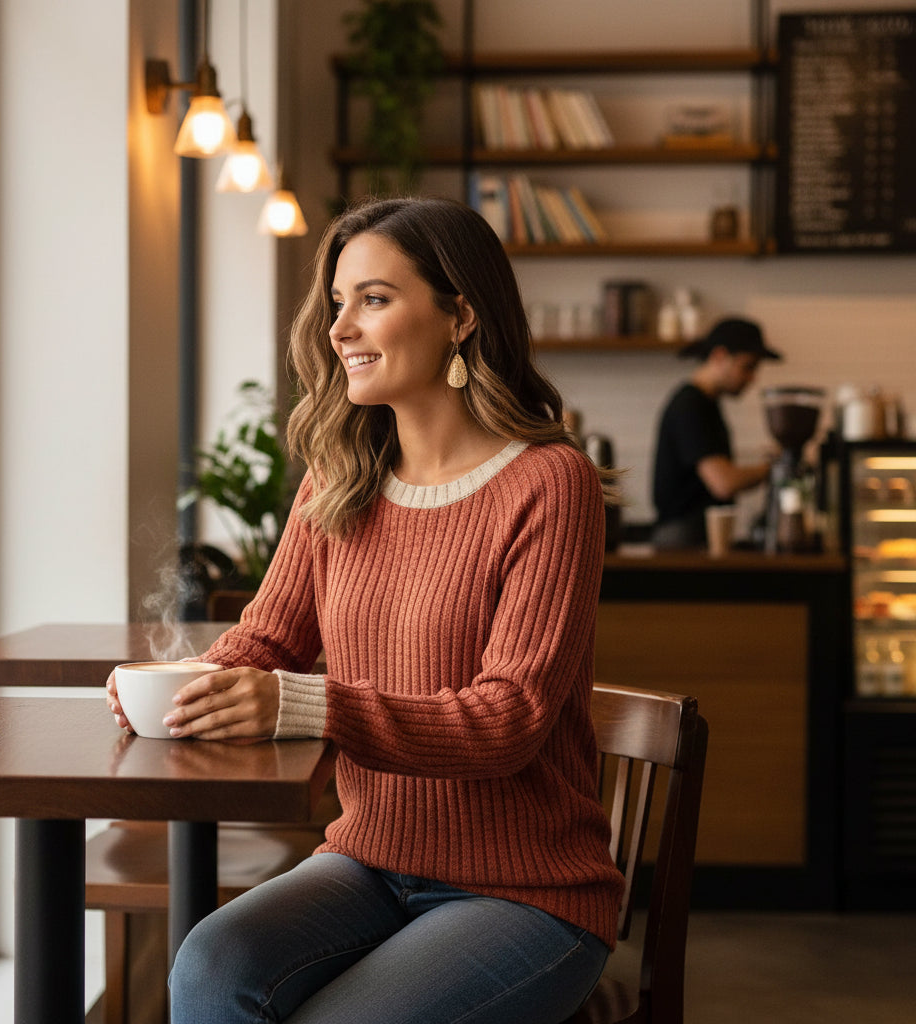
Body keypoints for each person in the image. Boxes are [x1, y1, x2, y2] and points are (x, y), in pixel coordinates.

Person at [106, 196, 624, 1024]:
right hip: (369, 861)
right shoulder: (341, 476)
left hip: (527, 892)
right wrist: (180, 686)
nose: (341, 327)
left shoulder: (548, 482)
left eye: (375, 299)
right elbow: (269, 639)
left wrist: (304, 702)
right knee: (209, 967)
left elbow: (511, 718)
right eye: (339, 302)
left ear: (461, 315)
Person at [651, 316, 781, 549]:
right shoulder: (690, 406)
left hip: (692, 536)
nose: (753, 378)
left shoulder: (705, 404)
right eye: (748, 367)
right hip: (682, 540)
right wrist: (771, 468)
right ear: (720, 356)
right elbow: (723, 483)